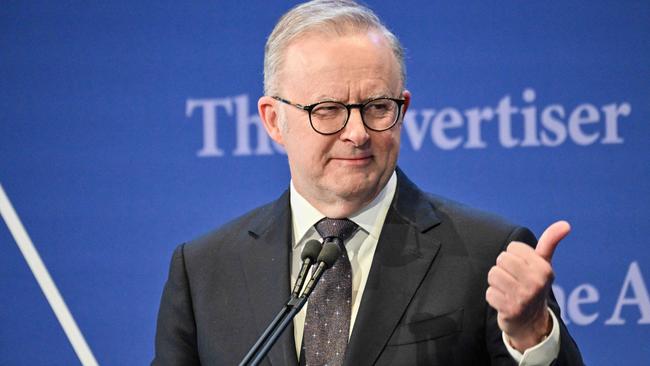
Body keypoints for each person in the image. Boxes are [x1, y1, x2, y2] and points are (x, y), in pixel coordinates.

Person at [153, 1, 584, 365]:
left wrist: (532, 337)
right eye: (327, 110)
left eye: (377, 107)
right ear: (273, 120)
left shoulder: (486, 253)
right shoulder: (205, 270)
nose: (357, 132)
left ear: (404, 107)